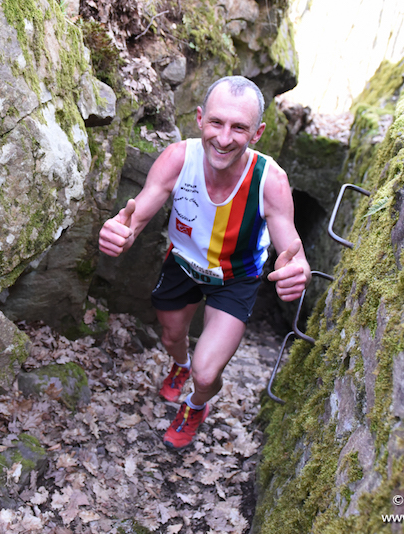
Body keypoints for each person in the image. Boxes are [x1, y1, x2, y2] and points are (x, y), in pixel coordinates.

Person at [98, 76, 310, 450]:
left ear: (257, 133)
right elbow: (137, 216)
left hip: (236, 278)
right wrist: (121, 232)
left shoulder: (270, 180)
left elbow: (292, 249)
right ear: (199, 118)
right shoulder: (179, 158)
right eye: (217, 122)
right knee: (171, 337)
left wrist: (298, 271)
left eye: (239, 128)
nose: (225, 138)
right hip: (182, 264)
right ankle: (178, 365)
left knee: (207, 371)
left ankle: (196, 404)